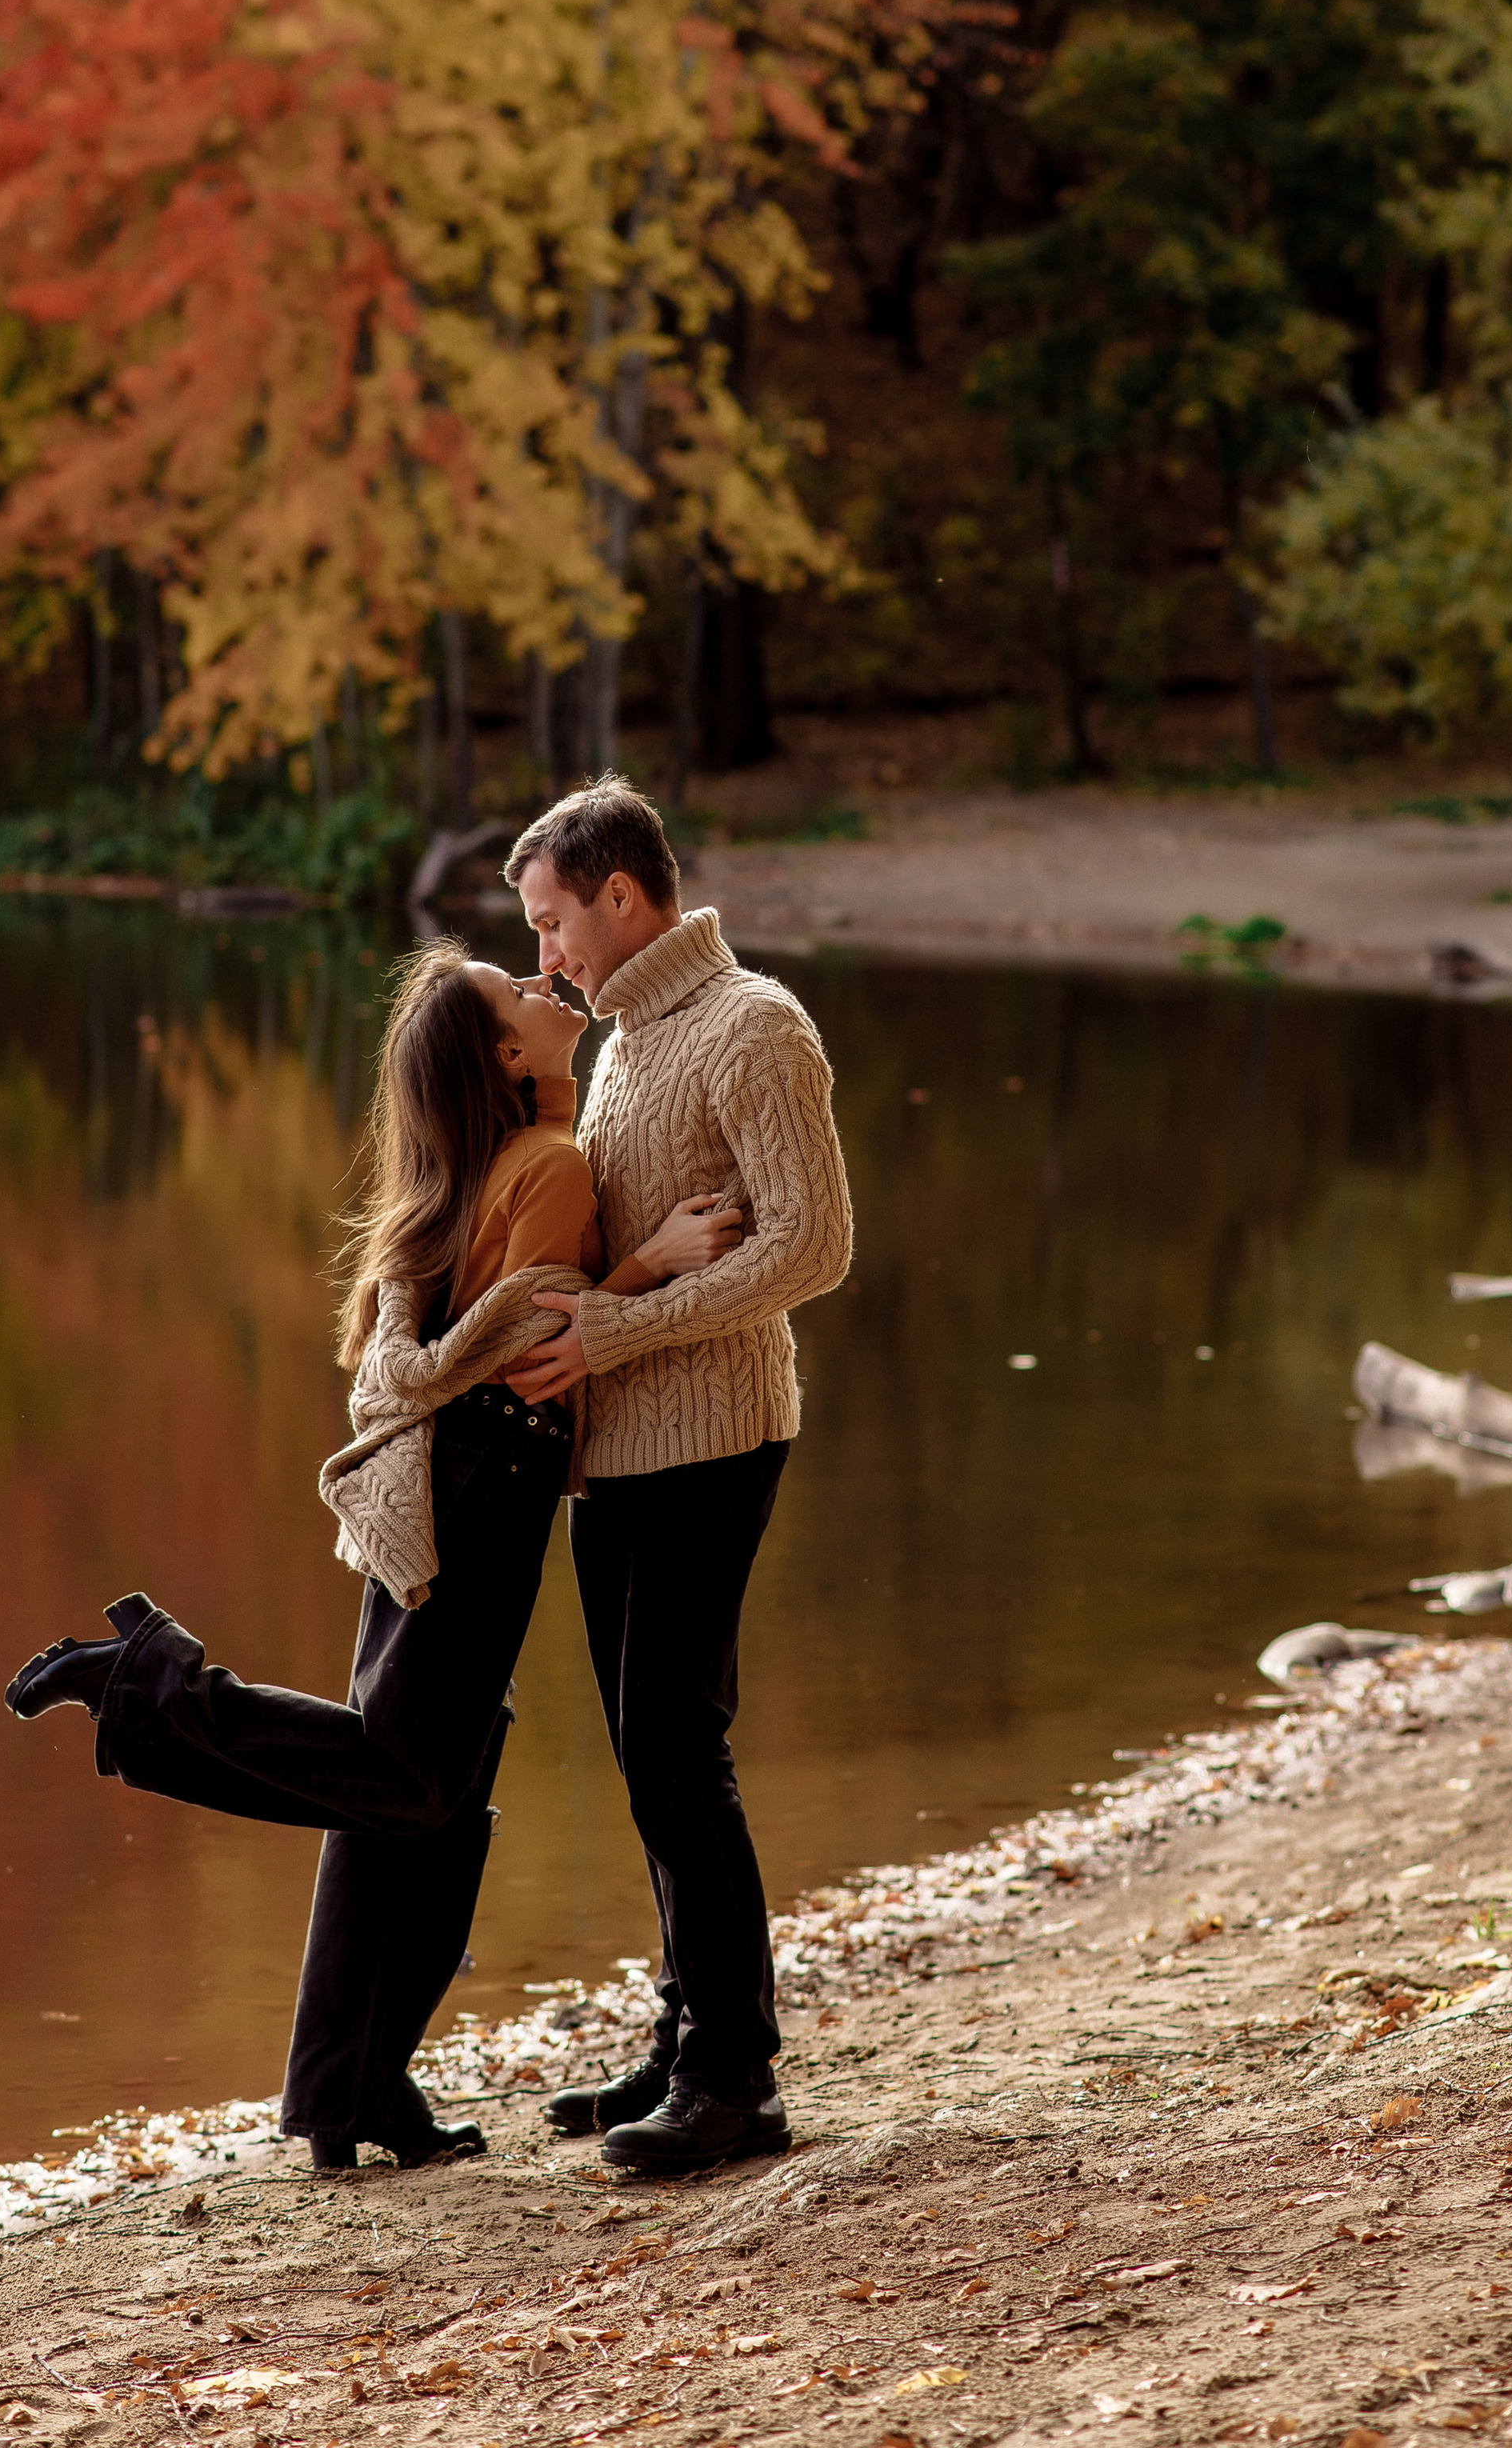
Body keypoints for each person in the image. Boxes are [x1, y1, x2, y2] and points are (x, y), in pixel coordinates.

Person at [1, 944, 738, 2174]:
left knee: (422, 1800)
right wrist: (649, 1265)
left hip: (436, 1478)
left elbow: (480, 1314)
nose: (550, 990)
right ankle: (146, 1681)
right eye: (524, 996)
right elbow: (537, 1342)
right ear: (506, 1057)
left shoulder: (486, 1165)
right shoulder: (548, 1165)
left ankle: (351, 2086)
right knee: (404, 1779)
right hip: (486, 1486)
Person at [501, 774, 854, 2177]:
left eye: (552, 924)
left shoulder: (753, 1027)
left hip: (716, 1432)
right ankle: (685, 2032)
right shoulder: (628, 1044)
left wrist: (624, 1326)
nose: (545, 958)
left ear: (622, 897)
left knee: (674, 1745)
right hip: (621, 1451)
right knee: (650, 1749)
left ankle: (737, 2082)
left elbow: (813, 1247)